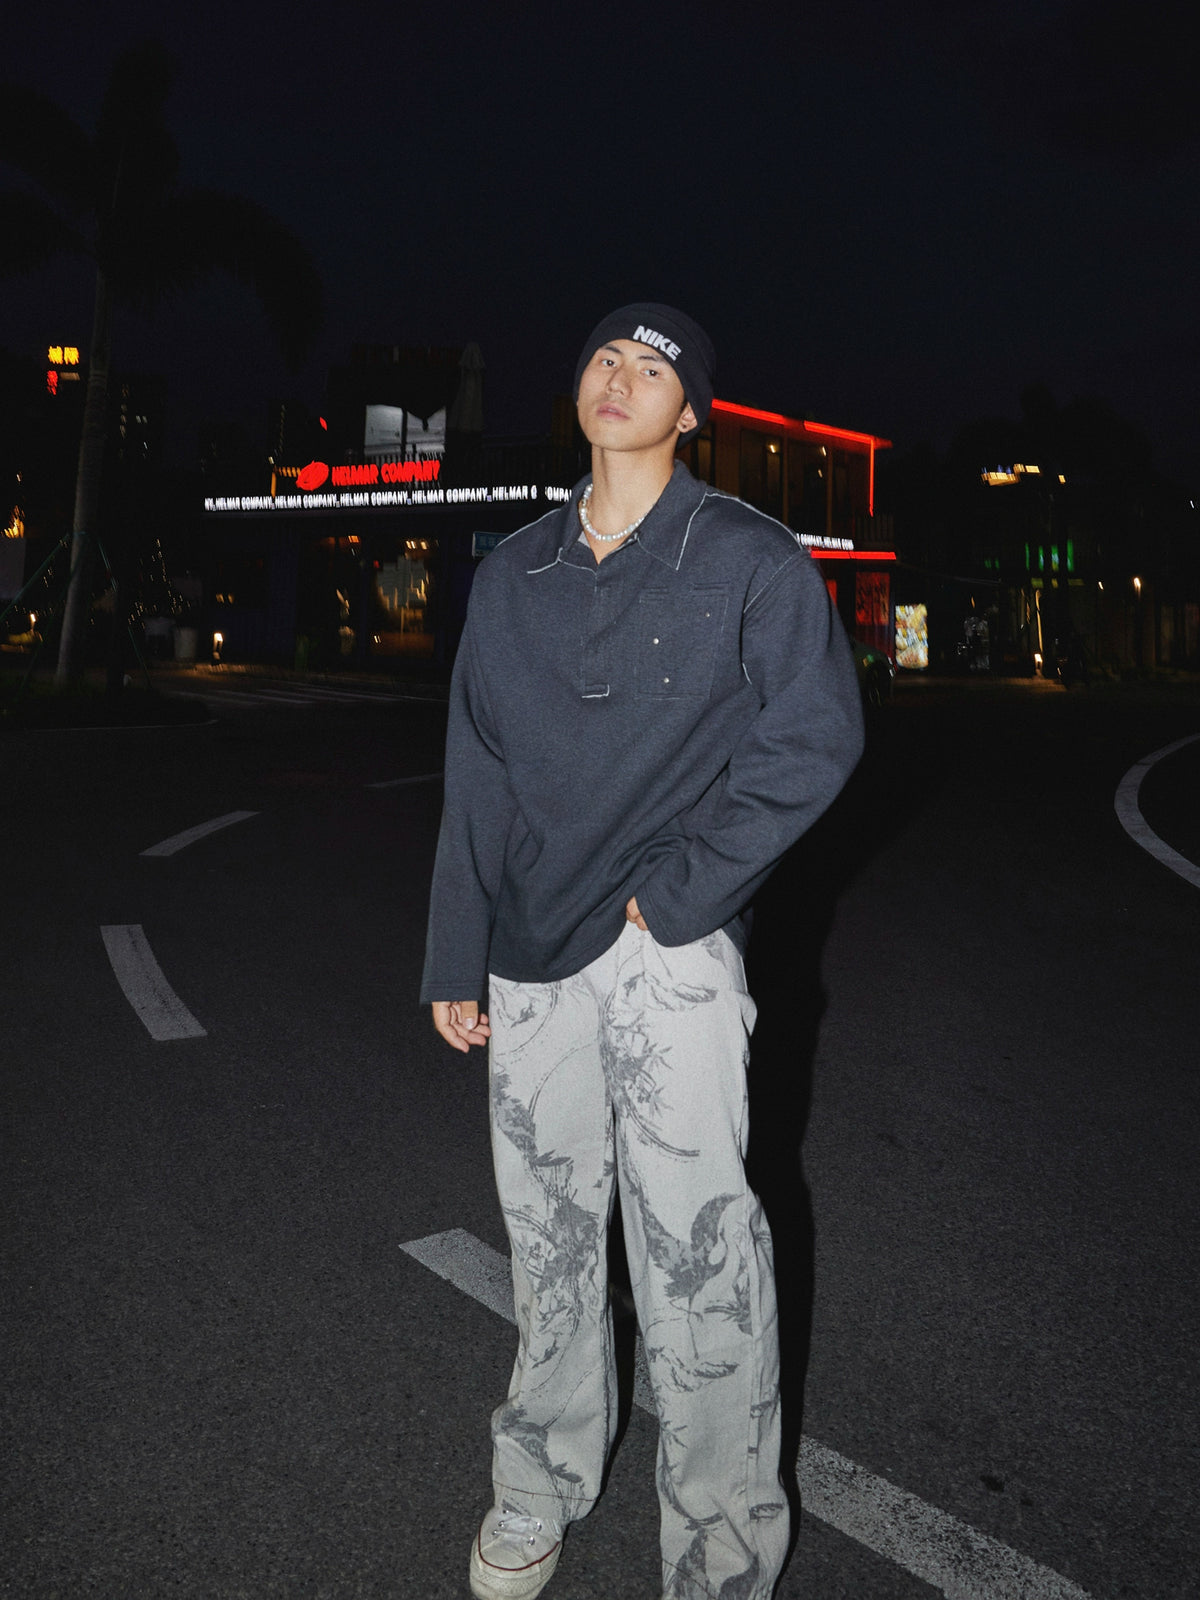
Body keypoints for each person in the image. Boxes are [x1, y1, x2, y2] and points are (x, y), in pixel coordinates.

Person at [421, 303, 864, 1600]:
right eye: (606, 357)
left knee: (698, 1260)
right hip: (531, 955)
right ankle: (537, 1483)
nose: (621, 376)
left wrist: (683, 895)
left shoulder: (747, 558)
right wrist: (456, 951)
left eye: (653, 366)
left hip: (671, 955)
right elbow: (477, 769)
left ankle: (721, 1552)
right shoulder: (515, 573)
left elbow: (815, 739)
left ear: (691, 412)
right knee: (549, 1244)